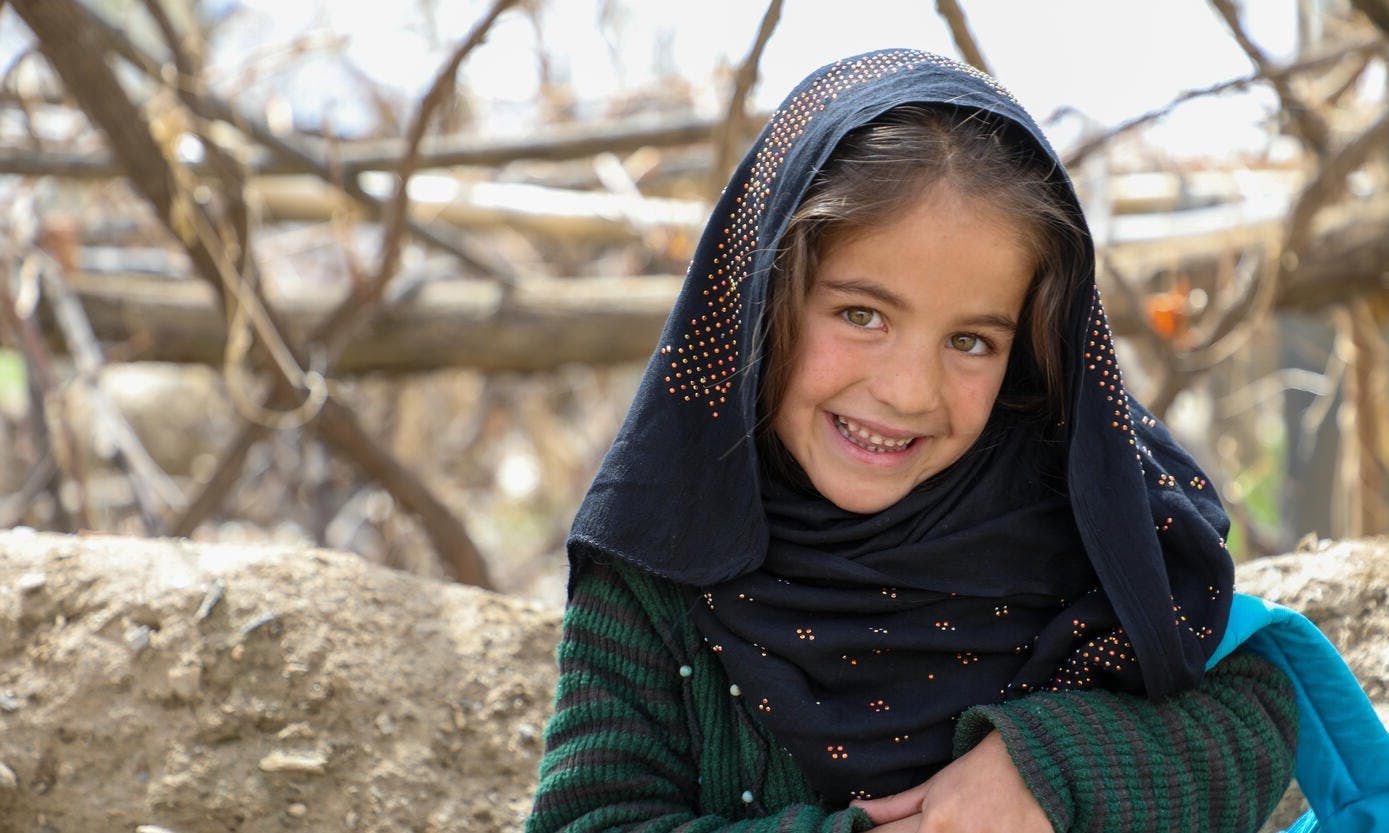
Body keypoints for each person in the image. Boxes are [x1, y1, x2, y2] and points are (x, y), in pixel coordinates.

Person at [526, 50, 1299, 833]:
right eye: (862, 315)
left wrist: (1046, 772)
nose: (907, 391)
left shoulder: (1075, 510)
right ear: (762, 295)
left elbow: (1251, 712)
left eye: (970, 340)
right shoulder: (665, 551)